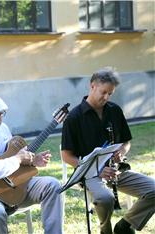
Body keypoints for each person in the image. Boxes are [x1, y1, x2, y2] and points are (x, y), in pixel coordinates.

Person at [61, 67, 155, 234]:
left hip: (116, 171)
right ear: (92, 86)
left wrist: (122, 152)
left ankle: (125, 225)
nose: (106, 97)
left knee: (153, 190)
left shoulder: (114, 110)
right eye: (103, 92)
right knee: (105, 198)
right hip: (90, 175)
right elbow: (66, 156)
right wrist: (95, 169)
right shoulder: (74, 117)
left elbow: (126, 141)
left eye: (110, 93)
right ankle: (106, 230)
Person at [0, 91, 64, 234]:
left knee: (53, 185)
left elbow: (13, 158)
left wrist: (32, 160)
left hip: (16, 187)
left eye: (1, 114)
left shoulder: (3, 129)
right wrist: (18, 159)